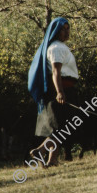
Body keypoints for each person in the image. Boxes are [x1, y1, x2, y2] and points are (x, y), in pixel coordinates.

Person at [28, 17, 79, 167]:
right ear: (56, 31)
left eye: (68, 28)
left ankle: (51, 160)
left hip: (66, 88)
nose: (66, 31)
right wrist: (60, 92)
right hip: (62, 89)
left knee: (62, 127)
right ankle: (41, 150)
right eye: (63, 29)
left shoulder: (59, 47)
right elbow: (56, 72)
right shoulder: (56, 48)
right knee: (62, 127)